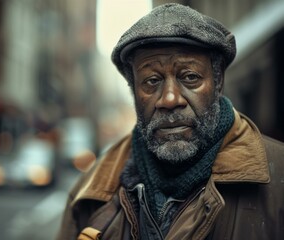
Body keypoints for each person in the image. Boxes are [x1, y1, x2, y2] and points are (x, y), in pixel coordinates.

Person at [56, 3, 284, 240]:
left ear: (218, 82)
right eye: (152, 81)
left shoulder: (279, 180)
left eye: (190, 77)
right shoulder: (89, 193)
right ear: (134, 91)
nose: (169, 99)